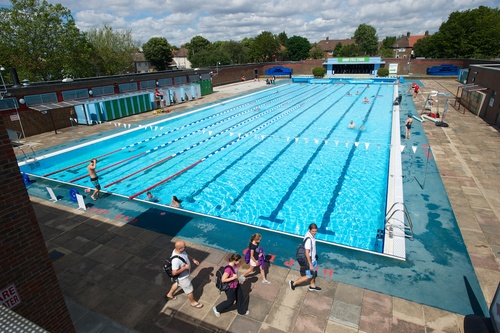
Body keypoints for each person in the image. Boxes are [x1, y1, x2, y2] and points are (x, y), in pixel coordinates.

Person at [165, 240, 203, 308]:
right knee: (189, 290)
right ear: (179, 248)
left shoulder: (180, 251)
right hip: (183, 278)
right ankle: (193, 302)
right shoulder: (176, 260)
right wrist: (185, 268)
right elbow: (174, 272)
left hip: (181, 278)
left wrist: (193, 259)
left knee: (177, 284)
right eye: (184, 247)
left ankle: (169, 294)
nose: (186, 247)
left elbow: (186, 254)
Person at [289, 223, 321, 291]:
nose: (314, 233)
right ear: (309, 230)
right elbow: (307, 253)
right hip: (311, 261)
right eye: (313, 231)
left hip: (313, 259)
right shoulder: (308, 240)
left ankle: (312, 286)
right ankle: (293, 283)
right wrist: (310, 265)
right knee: (308, 276)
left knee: (313, 273)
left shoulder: (309, 234)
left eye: (315, 231)